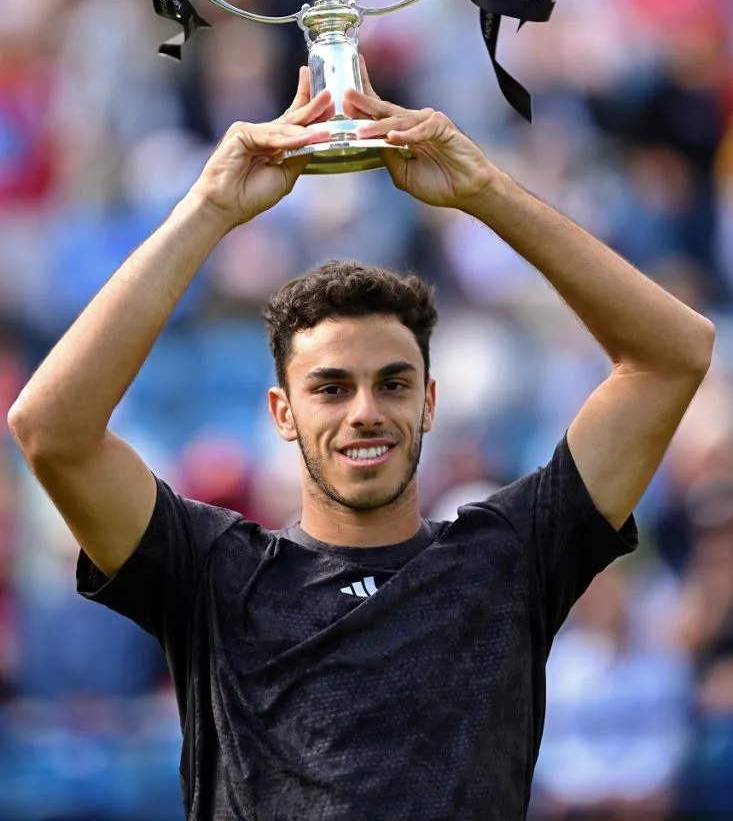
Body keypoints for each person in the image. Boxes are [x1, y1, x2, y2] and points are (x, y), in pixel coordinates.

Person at [7, 59, 715, 820]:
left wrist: (486, 194)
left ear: (430, 403)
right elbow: (49, 428)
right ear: (282, 412)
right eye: (331, 388)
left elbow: (673, 354)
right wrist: (209, 208)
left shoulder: (509, 555)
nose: (365, 410)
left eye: (394, 383)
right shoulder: (213, 573)